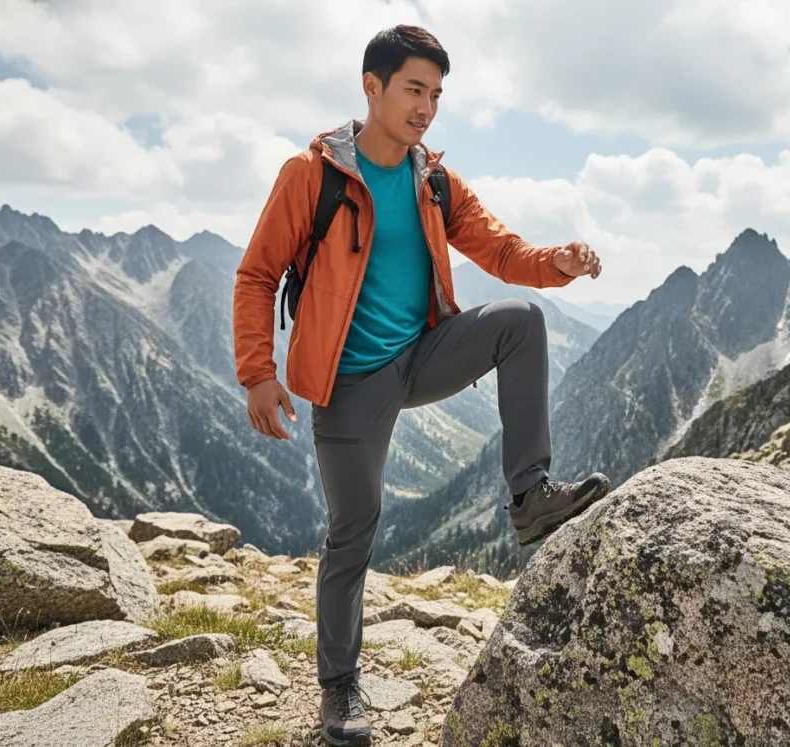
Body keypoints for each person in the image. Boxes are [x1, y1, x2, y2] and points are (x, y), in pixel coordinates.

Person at [232, 24, 611, 747]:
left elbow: (500, 249)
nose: (427, 107)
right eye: (414, 89)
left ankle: (530, 495)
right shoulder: (310, 176)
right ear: (370, 87)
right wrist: (258, 372)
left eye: (436, 94)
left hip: (425, 351)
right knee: (354, 530)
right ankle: (339, 688)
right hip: (347, 382)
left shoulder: (432, 178)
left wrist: (556, 261)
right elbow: (256, 275)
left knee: (522, 320)